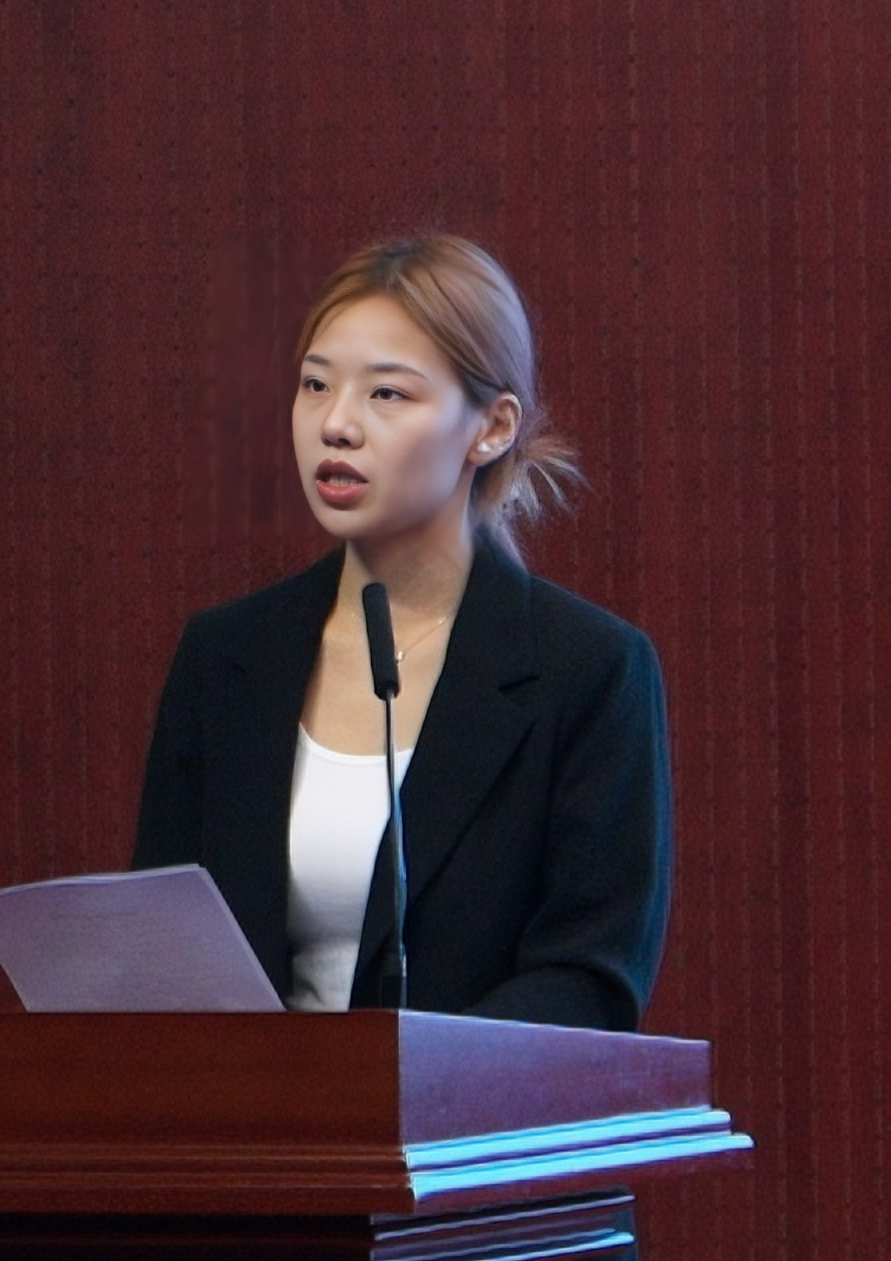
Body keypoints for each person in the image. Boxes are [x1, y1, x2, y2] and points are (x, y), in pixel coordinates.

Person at [132, 235, 671, 1031]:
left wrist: (407, 1076)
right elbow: (160, 945)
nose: (335, 424)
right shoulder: (226, 656)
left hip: (469, 1110)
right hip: (250, 1110)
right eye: (315, 385)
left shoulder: (587, 671)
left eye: (386, 394)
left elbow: (589, 980)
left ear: (491, 427)